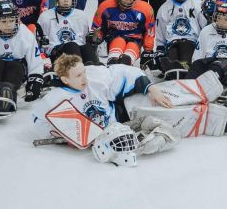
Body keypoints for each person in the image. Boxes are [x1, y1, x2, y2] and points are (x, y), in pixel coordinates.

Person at [30, 54, 173, 166]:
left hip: (119, 117)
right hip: (106, 135)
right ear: (65, 80)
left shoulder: (96, 76)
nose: (85, 78)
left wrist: (152, 89)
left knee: (147, 100)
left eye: (84, 72)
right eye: (78, 75)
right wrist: (65, 133)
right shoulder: (54, 100)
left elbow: (127, 72)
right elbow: (39, 121)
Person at [0, 0, 45, 114]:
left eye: (12, 20)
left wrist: (35, 82)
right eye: (4, 21)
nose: (9, 25)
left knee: (14, 66)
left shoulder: (25, 34)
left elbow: (34, 61)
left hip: (17, 70)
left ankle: (8, 94)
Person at [90, 0, 156, 66]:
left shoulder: (146, 9)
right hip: (113, 38)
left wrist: (148, 50)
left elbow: (149, 32)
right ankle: (113, 61)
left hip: (135, 41)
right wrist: (96, 38)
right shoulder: (105, 6)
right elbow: (97, 28)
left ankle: (126, 63)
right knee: (116, 53)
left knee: (126, 59)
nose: (129, 1)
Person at [153, 0, 207, 79]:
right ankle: (175, 70)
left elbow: (205, 28)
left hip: (191, 44)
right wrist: (159, 49)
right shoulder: (164, 8)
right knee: (170, 59)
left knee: (185, 57)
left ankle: (180, 71)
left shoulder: (199, 5)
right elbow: (160, 32)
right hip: (171, 44)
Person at [37, 0, 98, 65]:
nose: (66, 0)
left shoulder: (81, 15)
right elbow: (40, 43)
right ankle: (76, 70)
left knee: (87, 48)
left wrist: (93, 37)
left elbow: (85, 39)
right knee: (72, 46)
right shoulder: (45, 16)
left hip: (78, 50)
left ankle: (95, 70)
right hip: (57, 52)